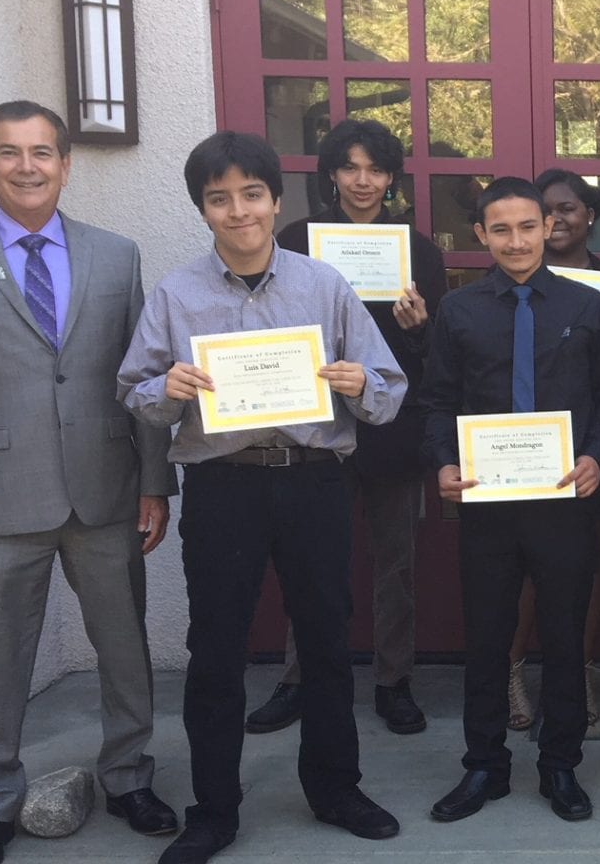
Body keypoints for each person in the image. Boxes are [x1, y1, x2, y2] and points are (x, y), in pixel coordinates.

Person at [119, 131, 407, 864]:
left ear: (277, 202)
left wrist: (356, 384)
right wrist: (167, 388)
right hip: (222, 487)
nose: (238, 210)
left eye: (252, 194)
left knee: (327, 639)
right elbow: (134, 394)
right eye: (220, 199)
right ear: (204, 210)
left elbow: (388, 390)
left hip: (312, 479)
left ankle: (335, 787)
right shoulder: (176, 294)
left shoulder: (324, 285)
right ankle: (214, 811)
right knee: (215, 649)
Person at [0, 101, 180, 864]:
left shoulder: (115, 255)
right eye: (8, 153)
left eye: (41, 152)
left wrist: (155, 483)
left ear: (66, 163)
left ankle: (127, 776)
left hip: (106, 489)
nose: (27, 166)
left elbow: (144, 375)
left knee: (124, 651)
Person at [422, 178, 600, 824]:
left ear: (549, 229)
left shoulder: (587, 305)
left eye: (528, 227)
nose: (517, 241)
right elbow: (434, 400)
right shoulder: (459, 312)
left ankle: (560, 764)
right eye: (501, 230)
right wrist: (445, 463)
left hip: (563, 501)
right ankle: (484, 764)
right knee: (486, 637)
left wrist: (596, 455)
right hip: (486, 503)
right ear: (481, 236)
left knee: (565, 638)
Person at [246, 118, 447, 737]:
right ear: (331, 174)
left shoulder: (417, 250)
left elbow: (436, 357)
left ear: (391, 177)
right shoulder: (298, 238)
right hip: (314, 425)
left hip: (389, 426)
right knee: (309, 561)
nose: (363, 181)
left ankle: (395, 680)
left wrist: (418, 328)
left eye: (376, 169)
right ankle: (299, 678)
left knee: (395, 563)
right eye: (350, 168)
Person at [503, 167, 600, 731]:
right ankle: (511, 671)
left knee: (589, 563)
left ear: (591, 216)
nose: (556, 221)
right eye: (545, 211)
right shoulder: (503, 284)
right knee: (520, 570)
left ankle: (576, 671)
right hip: (515, 452)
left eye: (567, 209)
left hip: (590, 449)